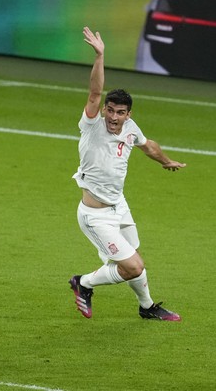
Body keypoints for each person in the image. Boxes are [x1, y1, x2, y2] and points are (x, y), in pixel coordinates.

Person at [69, 27, 186, 321]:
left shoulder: (131, 130)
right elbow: (95, 91)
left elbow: (148, 147)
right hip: (95, 215)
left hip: (119, 205)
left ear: (128, 115)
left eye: (120, 112)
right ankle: (82, 283)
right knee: (133, 266)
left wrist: (165, 161)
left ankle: (146, 307)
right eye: (110, 110)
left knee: (135, 263)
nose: (113, 117)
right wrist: (100, 55)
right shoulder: (93, 124)